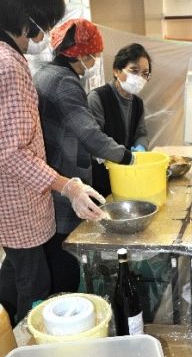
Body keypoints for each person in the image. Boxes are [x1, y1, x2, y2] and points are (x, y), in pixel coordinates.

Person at [0, 0, 106, 326]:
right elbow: (13, 153)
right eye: (44, 24)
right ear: (28, 19)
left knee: (15, 273)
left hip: (11, 203)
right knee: (33, 286)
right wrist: (68, 186)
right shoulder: (10, 65)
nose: (44, 34)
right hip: (20, 203)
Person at [33, 19, 139, 295]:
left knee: (52, 257)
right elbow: (89, 134)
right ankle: (64, 307)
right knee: (64, 257)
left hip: (51, 177)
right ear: (79, 53)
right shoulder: (65, 83)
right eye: (93, 55)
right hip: (63, 182)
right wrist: (128, 158)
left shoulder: (45, 73)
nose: (94, 61)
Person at [88, 43, 151, 197]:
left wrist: (140, 146)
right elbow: (95, 141)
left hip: (127, 175)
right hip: (102, 178)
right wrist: (124, 155)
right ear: (116, 70)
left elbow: (141, 133)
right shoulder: (98, 98)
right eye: (134, 71)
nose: (140, 78)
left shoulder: (137, 103)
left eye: (145, 73)